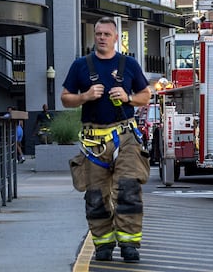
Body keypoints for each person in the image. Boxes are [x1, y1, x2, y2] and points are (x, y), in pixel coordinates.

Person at [61, 17, 152, 263]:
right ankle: (103, 243)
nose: (101, 37)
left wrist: (128, 98)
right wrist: (85, 96)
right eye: (98, 33)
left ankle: (130, 244)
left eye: (106, 34)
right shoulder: (81, 66)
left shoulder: (129, 64)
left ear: (116, 38)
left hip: (124, 137)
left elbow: (146, 95)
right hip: (93, 142)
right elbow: (65, 98)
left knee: (129, 190)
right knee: (95, 196)